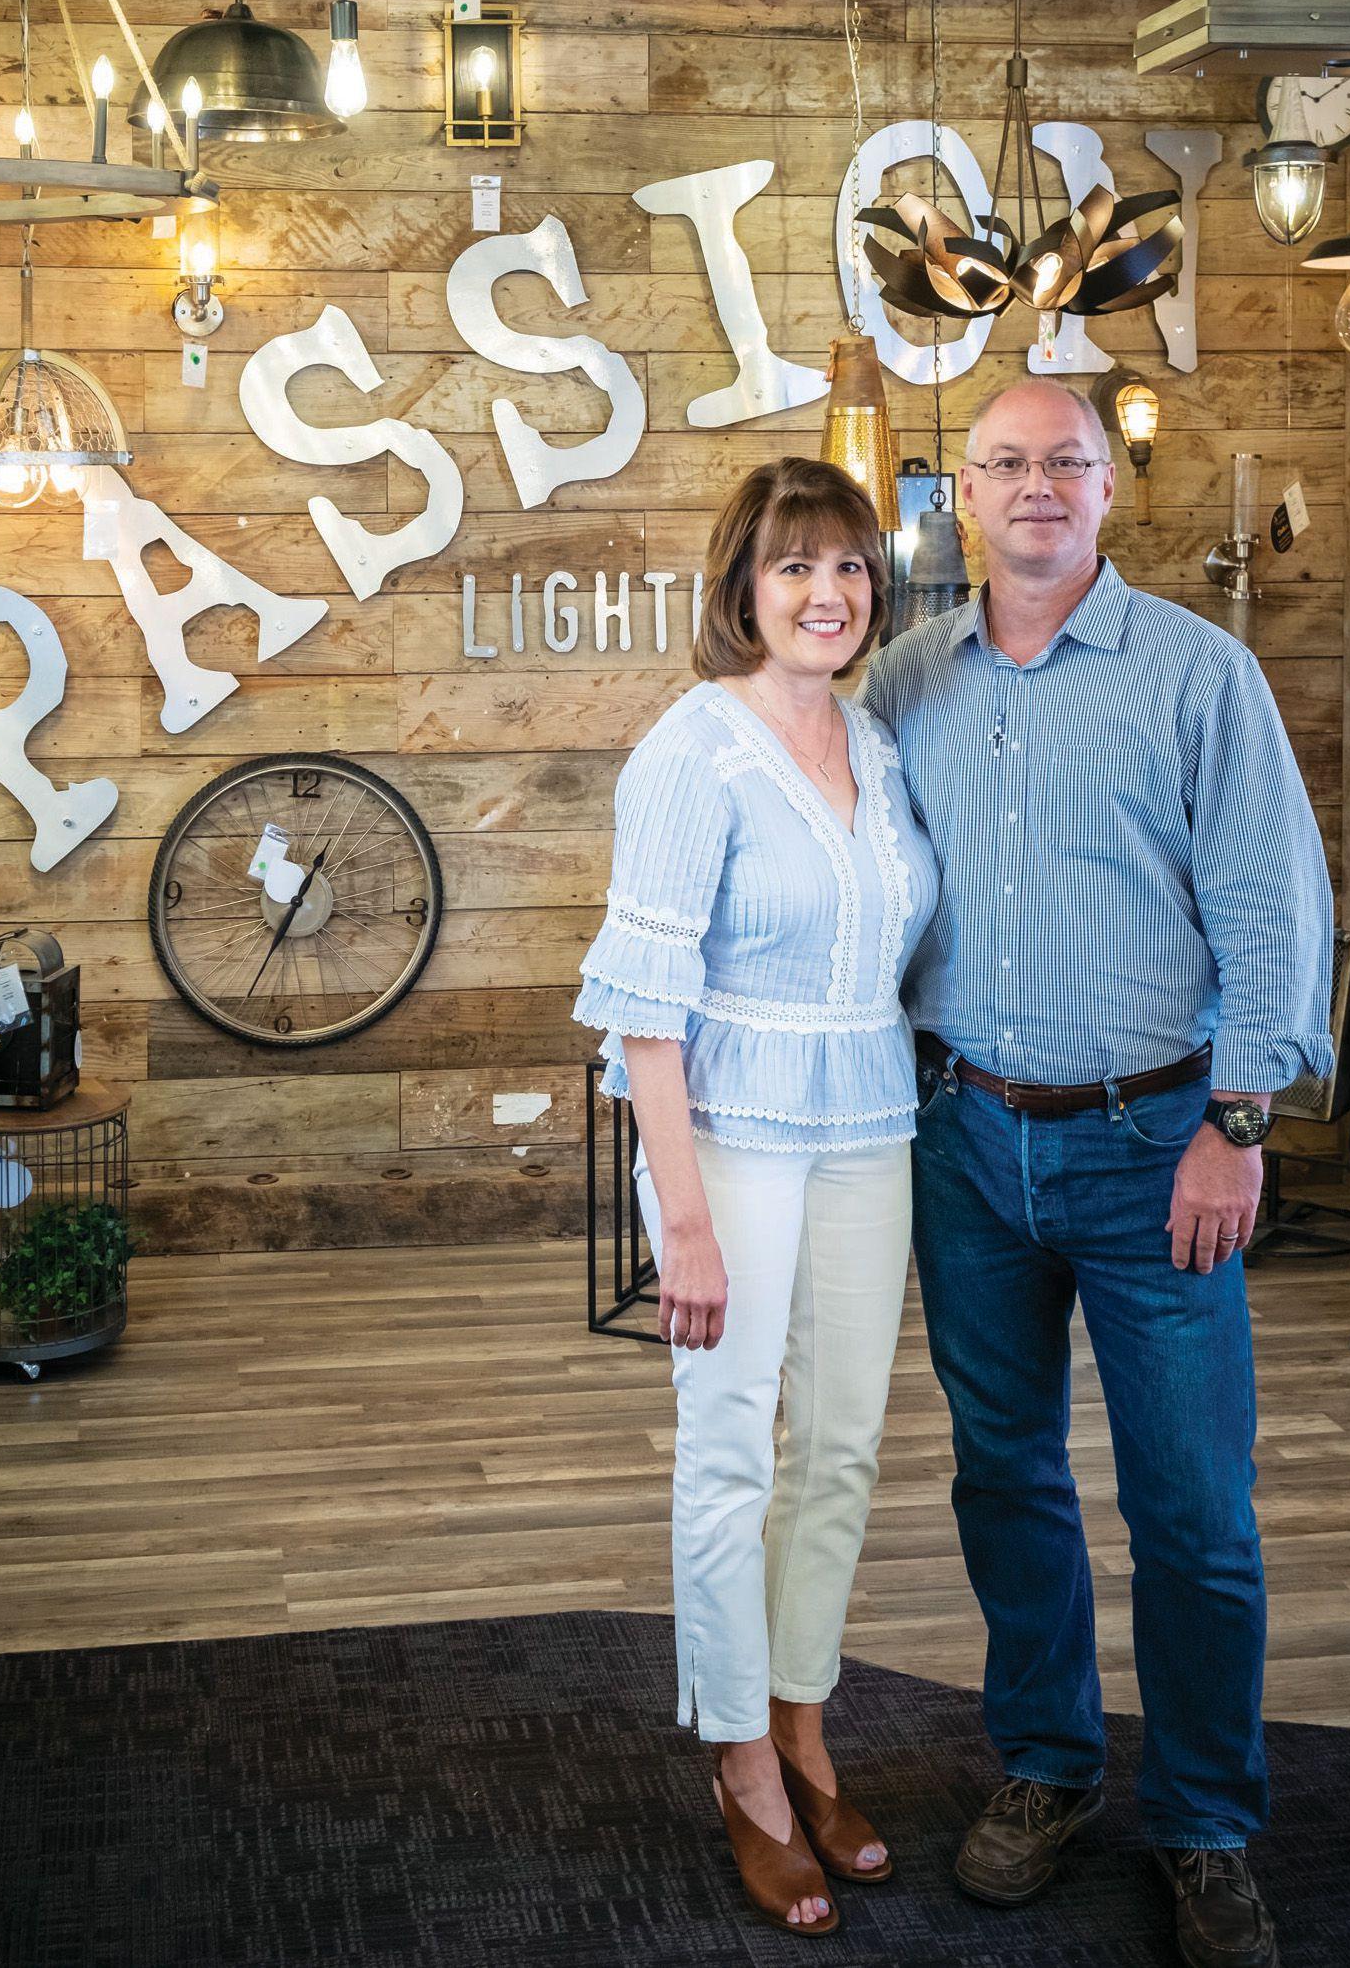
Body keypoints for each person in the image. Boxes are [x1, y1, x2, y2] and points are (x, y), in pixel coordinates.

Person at [864, 379, 1332, 1968]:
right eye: (1004, 463)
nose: (1035, 488)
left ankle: (1202, 1824)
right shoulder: (906, 677)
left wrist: (1236, 1124)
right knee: (1002, 1475)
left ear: (1108, 488)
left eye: (1065, 461)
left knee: (1191, 1508)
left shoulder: (1197, 672)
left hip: (1155, 1148)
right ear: (964, 494)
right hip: (962, 1139)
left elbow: (1271, 908)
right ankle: (1049, 1764)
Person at [575, 455, 939, 1940]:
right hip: (729, 1139)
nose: (826, 593)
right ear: (741, 586)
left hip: (868, 1122)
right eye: (794, 565)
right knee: (730, 1452)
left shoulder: (876, 741)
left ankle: (802, 1724)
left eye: (848, 565)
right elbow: (643, 1013)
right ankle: (738, 1761)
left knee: (842, 1446)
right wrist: (686, 1224)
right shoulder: (692, 752)